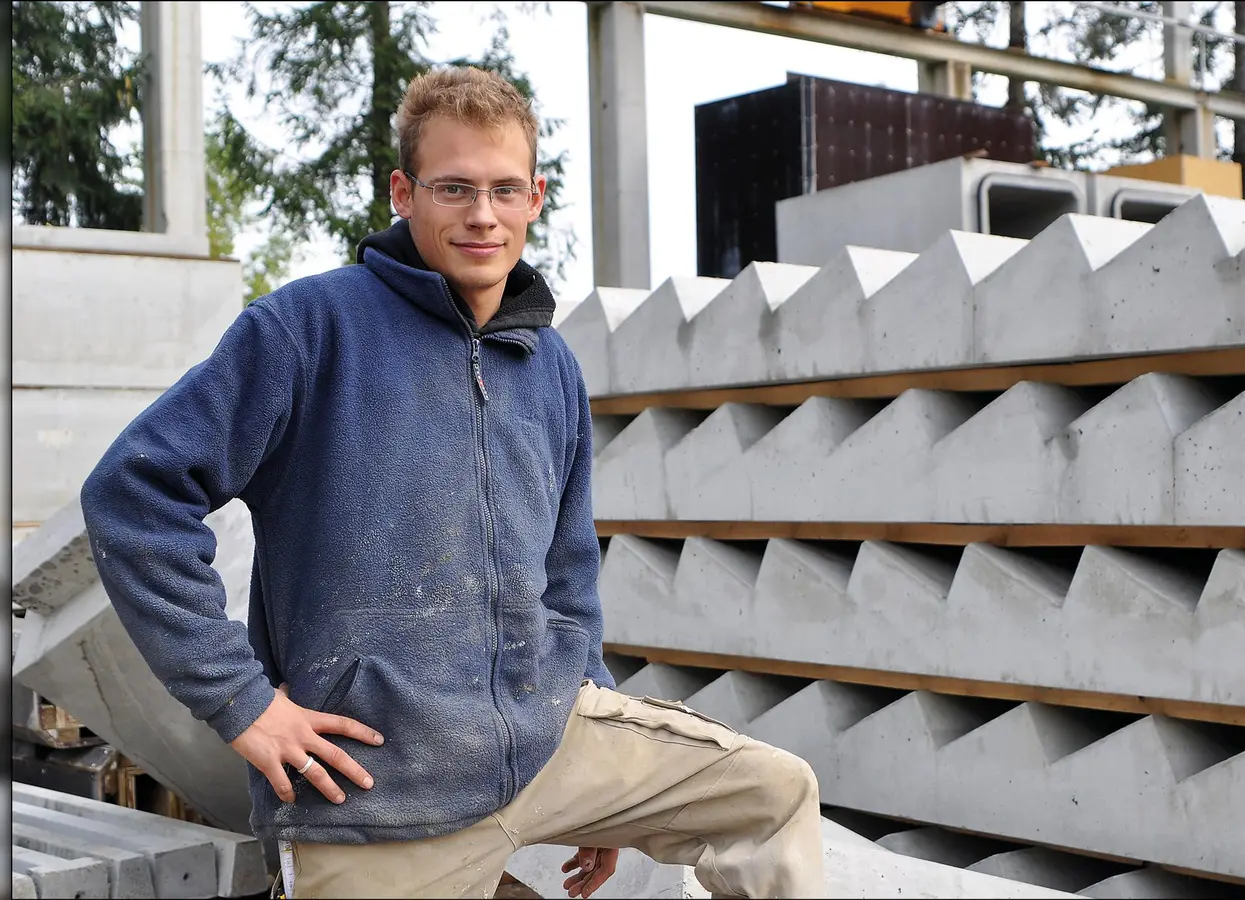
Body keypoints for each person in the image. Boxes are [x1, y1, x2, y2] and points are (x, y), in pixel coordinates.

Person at [80, 65, 823, 899]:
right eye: (455, 188)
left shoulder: (551, 366)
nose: (483, 215)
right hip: (372, 791)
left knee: (773, 794)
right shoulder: (307, 331)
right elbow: (133, 494)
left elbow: (568, 576)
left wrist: (605, 768)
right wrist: (241, 702)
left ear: (535, 197)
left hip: (548, 746)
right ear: (403, 192)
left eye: (506, 190)